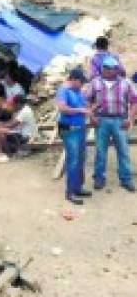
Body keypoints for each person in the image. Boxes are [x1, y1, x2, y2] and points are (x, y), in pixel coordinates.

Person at [86, 58, 137, 192]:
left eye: (112, 68)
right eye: (106, 67)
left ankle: (126, 179)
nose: (109, 70)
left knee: (123, 151)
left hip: (120, 121)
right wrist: (91, 116)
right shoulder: (95, 83)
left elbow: (134, 101)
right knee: (100, 151)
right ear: (102, 68)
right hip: (101, 121)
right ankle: (99, 178)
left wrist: (130, 118)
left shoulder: (126, 83)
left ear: (117, 69)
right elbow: (87, 100)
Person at [56, 68, 91, 204]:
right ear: (74, 80)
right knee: (73, 160)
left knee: (81, 158)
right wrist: (80, 110)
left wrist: (89, 108)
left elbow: (84, 105)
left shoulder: (78, 91)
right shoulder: (63, 90)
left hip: (80, 128)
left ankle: (78, 187)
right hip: (70, 129)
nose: (82, 85)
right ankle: (70, 192)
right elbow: (62, 108)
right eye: (81, 82)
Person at [0, 95, 37, 162]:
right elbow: (12, 122)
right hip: (20, 132)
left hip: (26, 136)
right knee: (0, 129)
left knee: (1, 131)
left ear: (18, 103)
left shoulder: (25, 111)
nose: (13, 105)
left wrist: (1, 125)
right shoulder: (22, 109)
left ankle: (9, 155)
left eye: (14, 103)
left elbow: (12, 125)